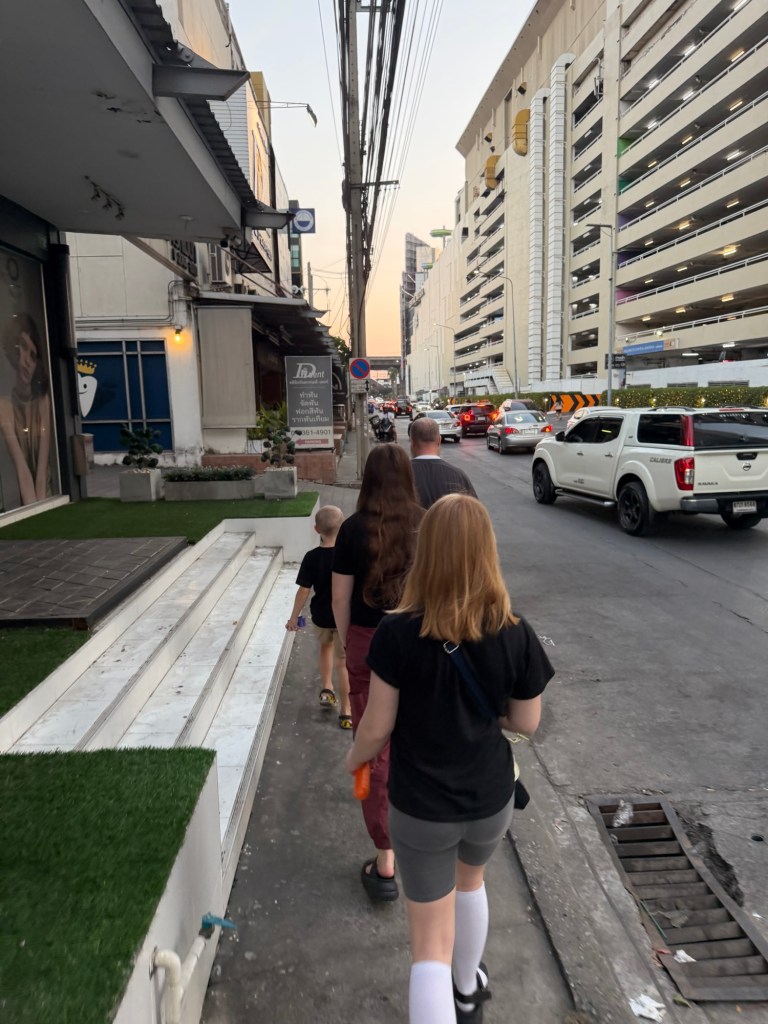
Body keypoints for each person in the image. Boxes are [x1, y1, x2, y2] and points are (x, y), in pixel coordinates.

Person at [345, 494, 554, 1024]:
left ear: (428, 551)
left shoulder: (397, 632)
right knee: (471, 882)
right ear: (487, 551)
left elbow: (377, 727)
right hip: (488, 799)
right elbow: (526, 722)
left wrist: (353, 759)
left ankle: (451, 986)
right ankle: (467, 991)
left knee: (428, 947)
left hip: (420, 806)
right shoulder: (515, 631)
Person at [332, 444, 424, 901]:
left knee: (374, 746)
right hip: (421, 639)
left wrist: (347, 641)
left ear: (368, 479)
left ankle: (386, 857)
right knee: (421, 735)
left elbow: (339, 598)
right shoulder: (424, 522)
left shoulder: (352, 529)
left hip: (368, 642)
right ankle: (426, 837)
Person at [285, 505, 352, 729]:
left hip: (321, 615)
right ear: (343, 527)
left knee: (325, 648)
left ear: (316, 529)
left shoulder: (311, 557)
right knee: (343, 663)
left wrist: (294, 617)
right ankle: (346, 711)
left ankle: (326, 689)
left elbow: (304, 590)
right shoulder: (349, 554)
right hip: (344, 618)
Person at [0, 313, 52, 506]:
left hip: (44, 491)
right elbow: (21, 468)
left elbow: (41, 470)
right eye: (22, 347)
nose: (27, 361)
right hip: (18, 494)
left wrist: (41, 507)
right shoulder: (4, 406)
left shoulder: (43, 402)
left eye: (33, 355)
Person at [409, 416, 477, 509]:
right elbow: (475, 513)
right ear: (439, 440)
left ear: (412, 442)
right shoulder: (458, 476)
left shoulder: (399, 475)